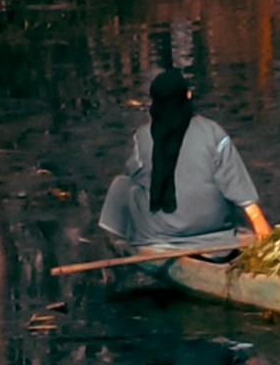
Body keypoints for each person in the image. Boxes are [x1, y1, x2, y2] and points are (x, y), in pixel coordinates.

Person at [102, 58, 265, 256]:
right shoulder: (214, 131)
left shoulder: (143, 137)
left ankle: (116, 242)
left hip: (163, 236)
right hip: (217, 233)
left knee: (122, 184)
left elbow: (135, 174)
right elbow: (236, 183)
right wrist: (259, 222)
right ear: (188, 95)